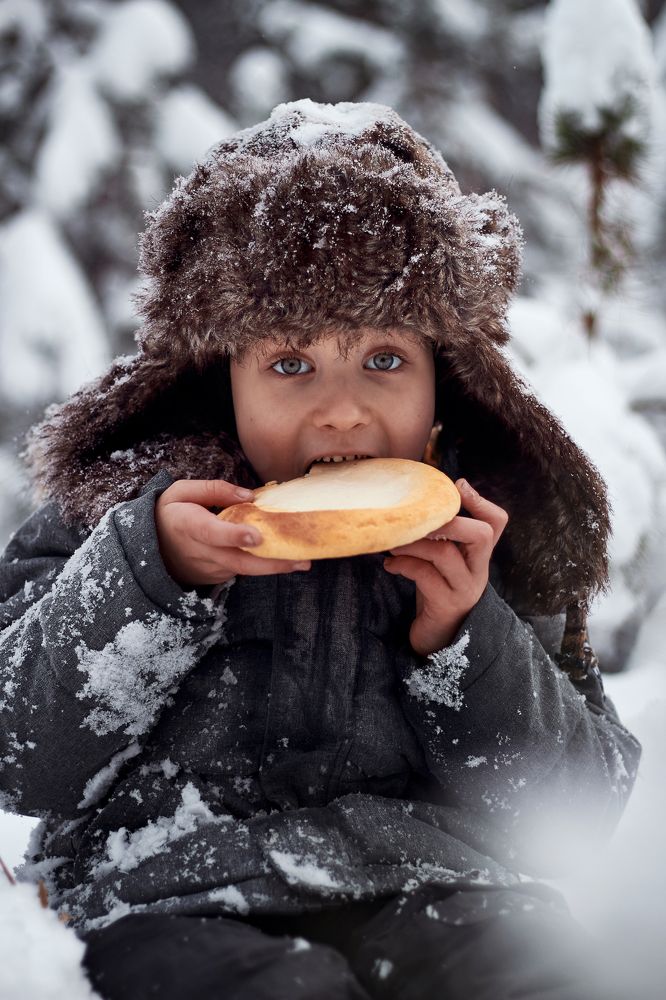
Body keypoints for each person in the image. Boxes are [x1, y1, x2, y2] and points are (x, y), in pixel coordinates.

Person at [0, 100, 641, 1000]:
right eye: (291, 365)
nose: (342, 411)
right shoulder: (116, 514)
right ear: (221, 376)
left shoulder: (487, 534)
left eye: (384, 360)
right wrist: (149, 580)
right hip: (165, 893)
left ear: (443, 377)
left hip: (434, 891)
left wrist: (465, 638)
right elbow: (19, 755)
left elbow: (572, 810)